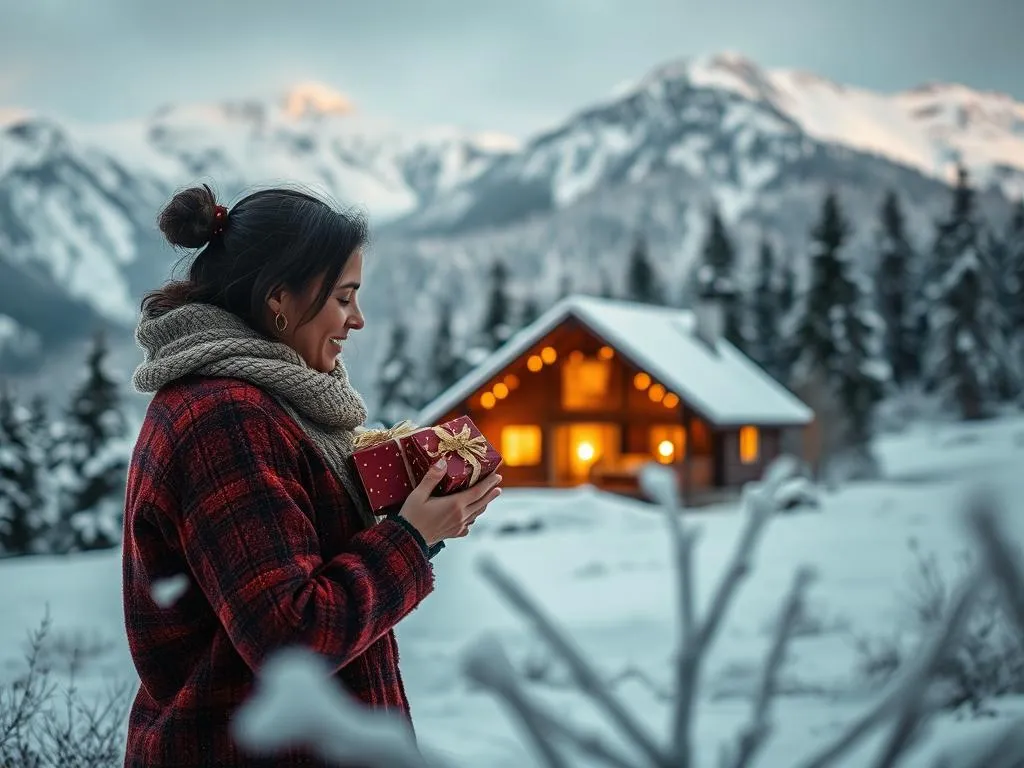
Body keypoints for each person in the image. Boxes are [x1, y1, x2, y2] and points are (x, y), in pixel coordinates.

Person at [121, 184, 503, 767]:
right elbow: (291, 639)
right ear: (279, 297)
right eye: (344, 297)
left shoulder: (266, 403)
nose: (358, 319)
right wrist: (410, 537)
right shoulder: (227, 419)